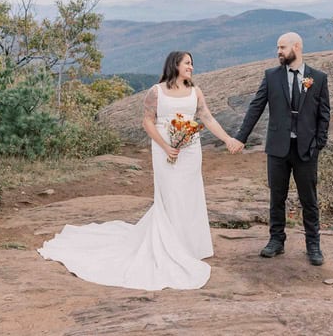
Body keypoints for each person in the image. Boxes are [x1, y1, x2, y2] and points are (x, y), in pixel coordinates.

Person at [38, 51, 237, 290]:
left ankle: (190, 245)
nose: (191, 67)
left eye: (192, 64)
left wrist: (227, 139)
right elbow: (147, 121)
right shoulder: (157, 92)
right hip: (165, 149)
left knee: (190, 194)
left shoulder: (196, 92)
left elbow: (207, 117)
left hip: (190, 150)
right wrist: (165, 146)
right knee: (170, 195)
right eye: (187, 63)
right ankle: (169, 245)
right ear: (175, 64)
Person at [228, 32, 331, 266]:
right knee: (277, 196)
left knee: (309, 199)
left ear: (297, 47)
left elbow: (324, 114)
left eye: (282, 47)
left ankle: (313, 245)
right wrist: (240, 138)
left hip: (306, 149)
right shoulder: (271, 76)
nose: (278, 52)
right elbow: (256, 107)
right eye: (277, 48)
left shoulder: (318, 78)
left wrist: (319, 143)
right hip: (277, 147)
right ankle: (276, 241)